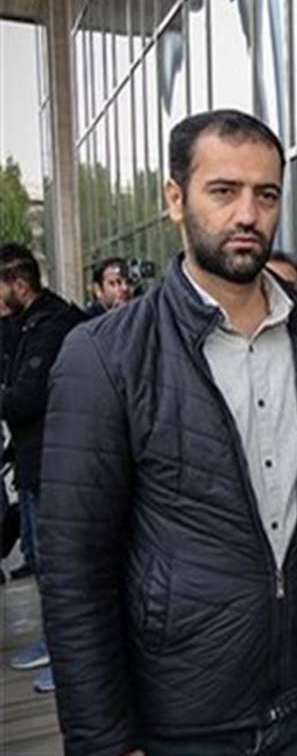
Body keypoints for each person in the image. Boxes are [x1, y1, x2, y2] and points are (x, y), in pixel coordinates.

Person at [38, 109, 297, 756]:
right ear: (176, 198)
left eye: (266, 194)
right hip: (181, 718)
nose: (248, 213)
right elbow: (74, 568)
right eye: (224, 191)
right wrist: (102, 739)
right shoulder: (104, 356)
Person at [0, 243, 85, 693]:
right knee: (38, 558)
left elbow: (25, 397)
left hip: (57, 462)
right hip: (33, 461)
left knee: (61, 566)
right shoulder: (22, 324)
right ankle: (54, 643)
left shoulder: (52, 325)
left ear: (19, 284)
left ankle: (71, 658)